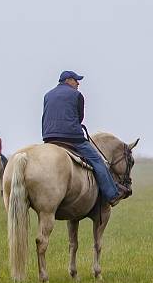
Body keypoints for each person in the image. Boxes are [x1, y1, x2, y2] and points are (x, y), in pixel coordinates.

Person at [42, 70, 128, 207]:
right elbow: (79, 117)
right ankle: (112, 194)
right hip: (71, 137)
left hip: (49, 137)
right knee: (98, 161)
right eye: (76, 80)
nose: (78, 83)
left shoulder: (47, 95)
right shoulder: (77, 95)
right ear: (68, 80)